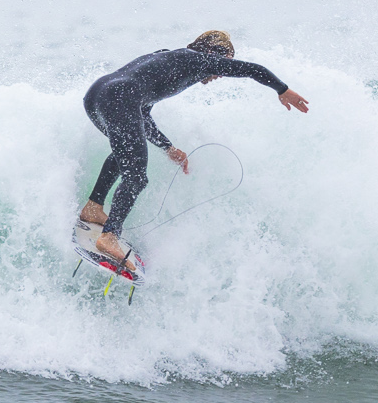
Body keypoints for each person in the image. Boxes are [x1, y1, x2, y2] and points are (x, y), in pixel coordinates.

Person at [77, 30, 310, 263]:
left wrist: (168, 147)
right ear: (213, 52)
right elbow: (252, 69)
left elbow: (141, 114)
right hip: (119, 98)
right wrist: (283, 90)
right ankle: (109, 236)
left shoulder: (171, 59)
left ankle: (93, 207)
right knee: (136, 177)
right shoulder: (200, 60)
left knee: (124, 155)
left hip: (98, 95)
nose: (220, 73)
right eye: (224, 63)